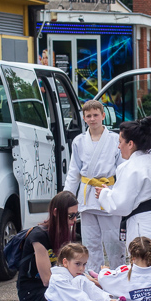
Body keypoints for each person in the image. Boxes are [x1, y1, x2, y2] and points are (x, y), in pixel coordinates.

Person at [93, 118, 151, 271]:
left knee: (145, 272)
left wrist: (104, 194)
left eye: (120, 142)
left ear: (130, 144)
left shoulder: (129, 167)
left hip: (146, 228)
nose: (118, 146)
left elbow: (120, 204)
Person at [63, 100, 123, 271]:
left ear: (103, 116)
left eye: (96, 115)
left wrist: (120, 194)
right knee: (90, 244)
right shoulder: (79, 141)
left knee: (114, 242)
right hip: (87, 196)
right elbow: (74, 171)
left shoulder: (114, 139)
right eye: (88, 116)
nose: (92, 119)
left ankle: (118, 275)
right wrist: (66, 197)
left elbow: (122, 169)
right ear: (84, 118)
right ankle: (93, 277)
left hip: (108, 192)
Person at [16, 190, 79, 301]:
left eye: (76, 215)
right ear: (56, 212)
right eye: (71, 215)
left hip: (54, 287)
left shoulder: (66, 235)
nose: (75, 219)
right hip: (33, 292)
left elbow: (74, 269)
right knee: (78, 296)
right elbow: (46, 280)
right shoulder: (38, 237)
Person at [44, 243, 115, 301]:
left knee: (81, 280)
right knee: (81, 280)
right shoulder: (57, 279)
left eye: (84, 264)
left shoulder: (75, 275)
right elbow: (74, 298)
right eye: (77, 264)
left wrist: (106, 300)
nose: (81, 268)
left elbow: (91, 290)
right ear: (65, 262)